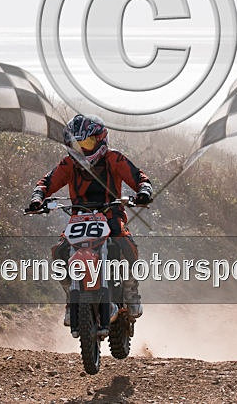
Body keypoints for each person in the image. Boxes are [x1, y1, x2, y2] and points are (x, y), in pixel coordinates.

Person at [27, 114, 152, 326]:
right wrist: (37, 198)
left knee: (124, 241)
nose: (82, 149)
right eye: (77, 145)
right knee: (59, 251)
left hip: (111, 214)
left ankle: (131, 290)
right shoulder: (69, 164)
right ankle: (71, 298)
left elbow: (139, 177)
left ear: (100, 139)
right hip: (79, 218)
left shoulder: (114, 159)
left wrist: (143, 192)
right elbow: (47, 182)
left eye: (87, 143)